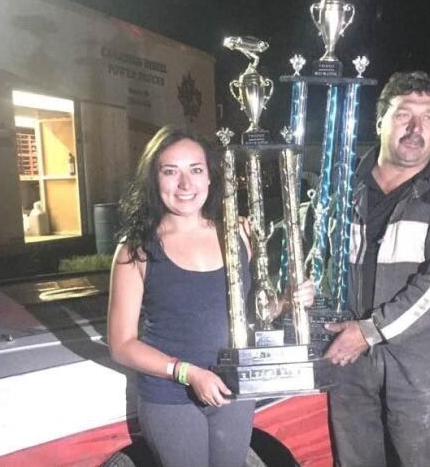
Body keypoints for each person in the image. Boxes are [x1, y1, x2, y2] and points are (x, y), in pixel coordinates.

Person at [107, 126, 313, 467]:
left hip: (233, 388)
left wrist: (286, 301)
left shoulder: (239, 235)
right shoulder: (137, 249)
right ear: (153, 179)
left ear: (210, 177)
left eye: (196, 170)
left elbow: (247, 314)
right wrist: (188, 373)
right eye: (171, 171)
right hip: (171, 395)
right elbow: (122, 344)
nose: (185, 185)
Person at [323, 71, 430, 467]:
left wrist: (371, 330)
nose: (416, 128)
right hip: (348, 354)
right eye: (403, 115)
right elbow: (319, 259)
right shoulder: (343, 185)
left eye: (429, 118)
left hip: (414, 358)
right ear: (379, 121)